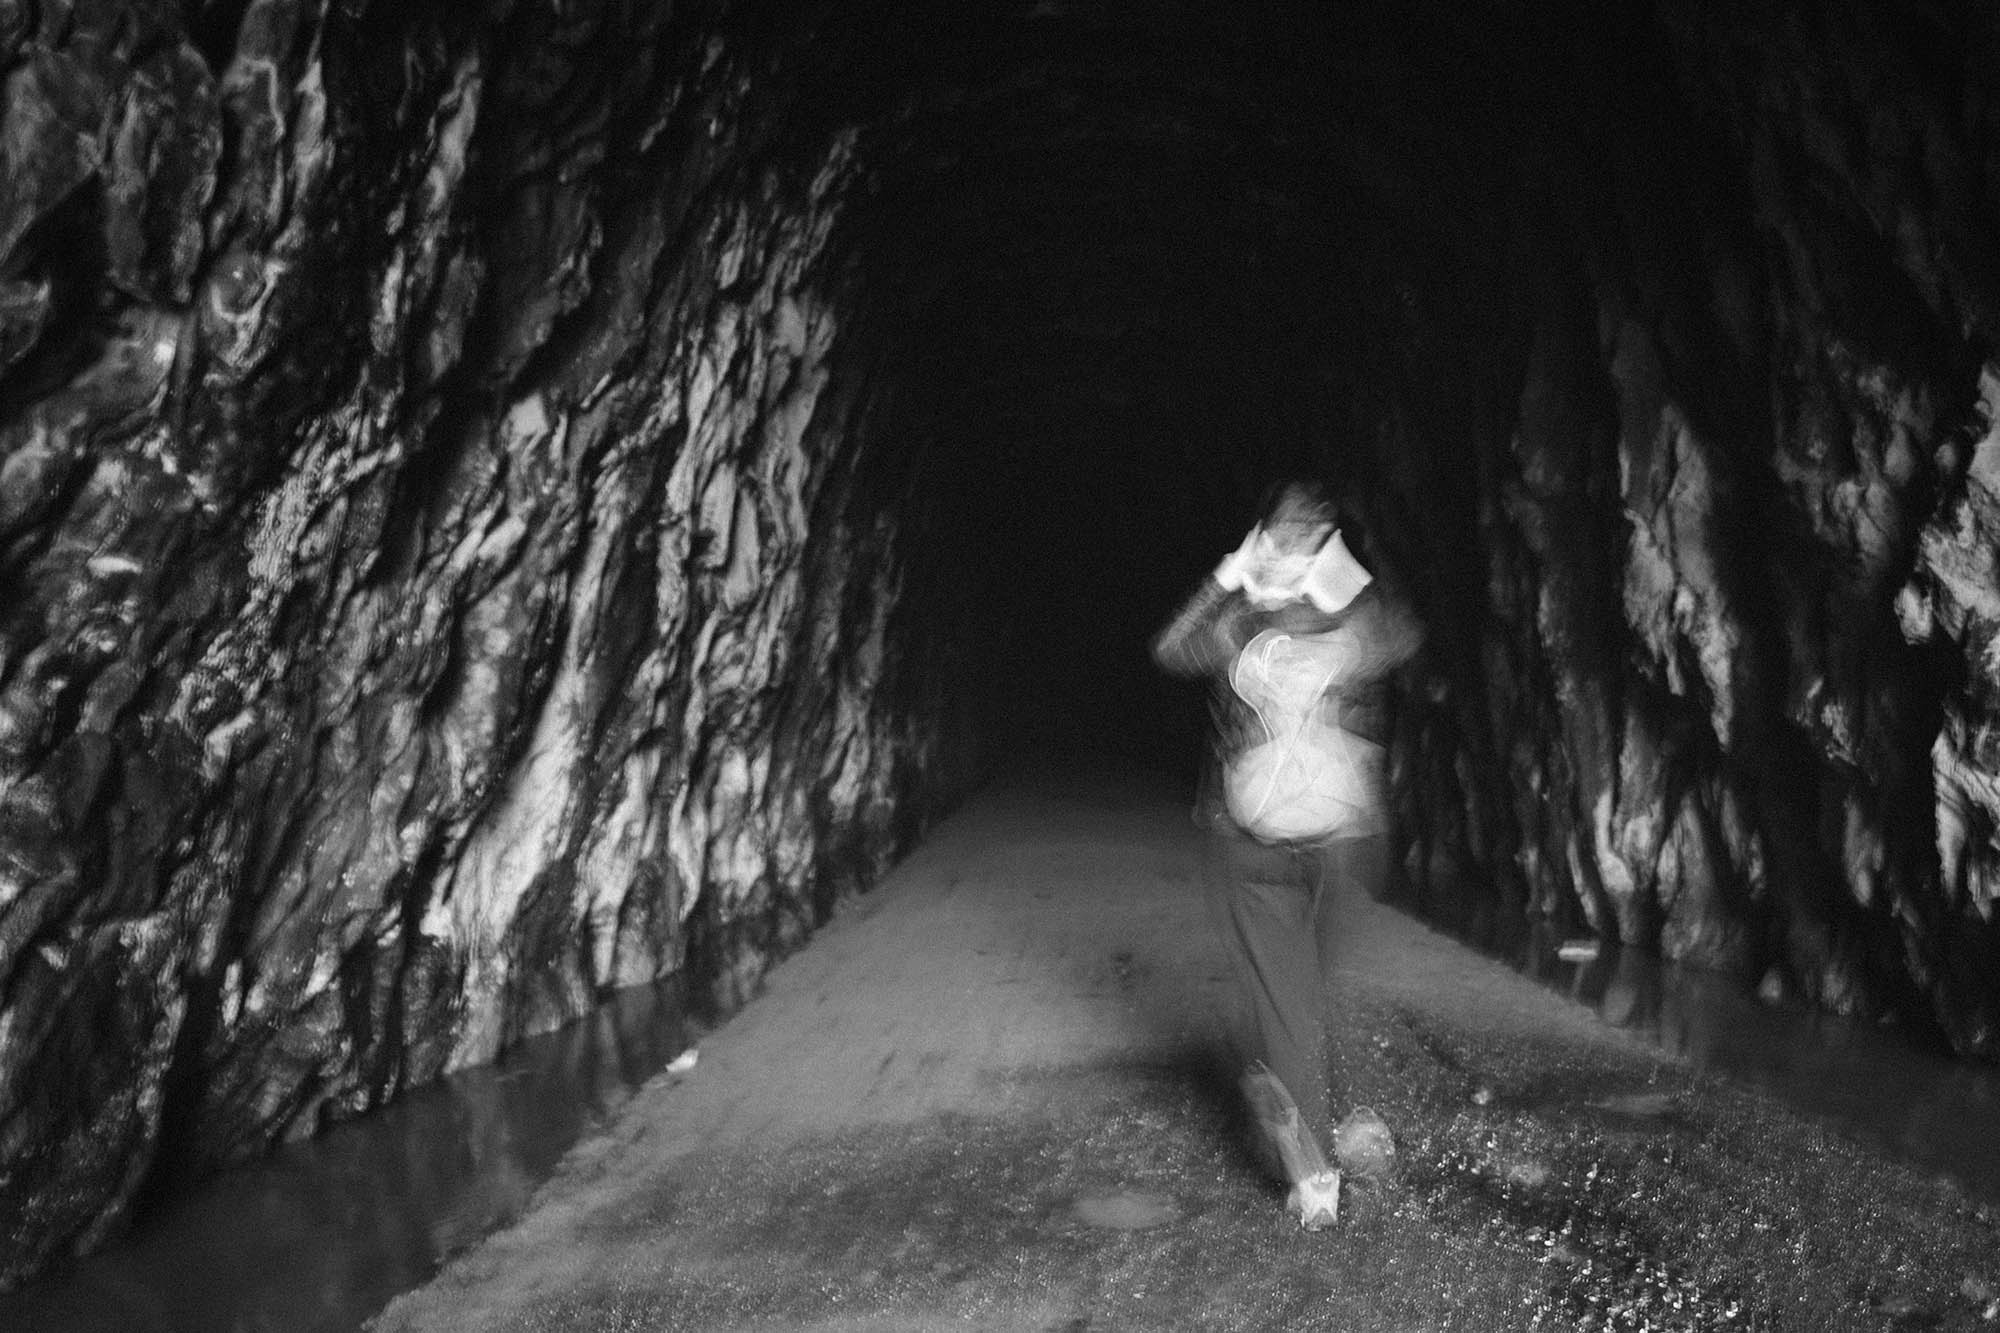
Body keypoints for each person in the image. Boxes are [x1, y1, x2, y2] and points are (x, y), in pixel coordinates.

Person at [1151, 480, 1421, 1230]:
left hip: (1254, 842)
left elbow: (1172, 647)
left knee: (1289, 1003)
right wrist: (1343, 581)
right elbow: (1401, 636)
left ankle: (1310, 1162)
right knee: (1306, 995)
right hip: (1340, 842)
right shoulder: (1350, 628)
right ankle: (1320, 1139)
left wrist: (1228, 576)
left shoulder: (1237, 627)